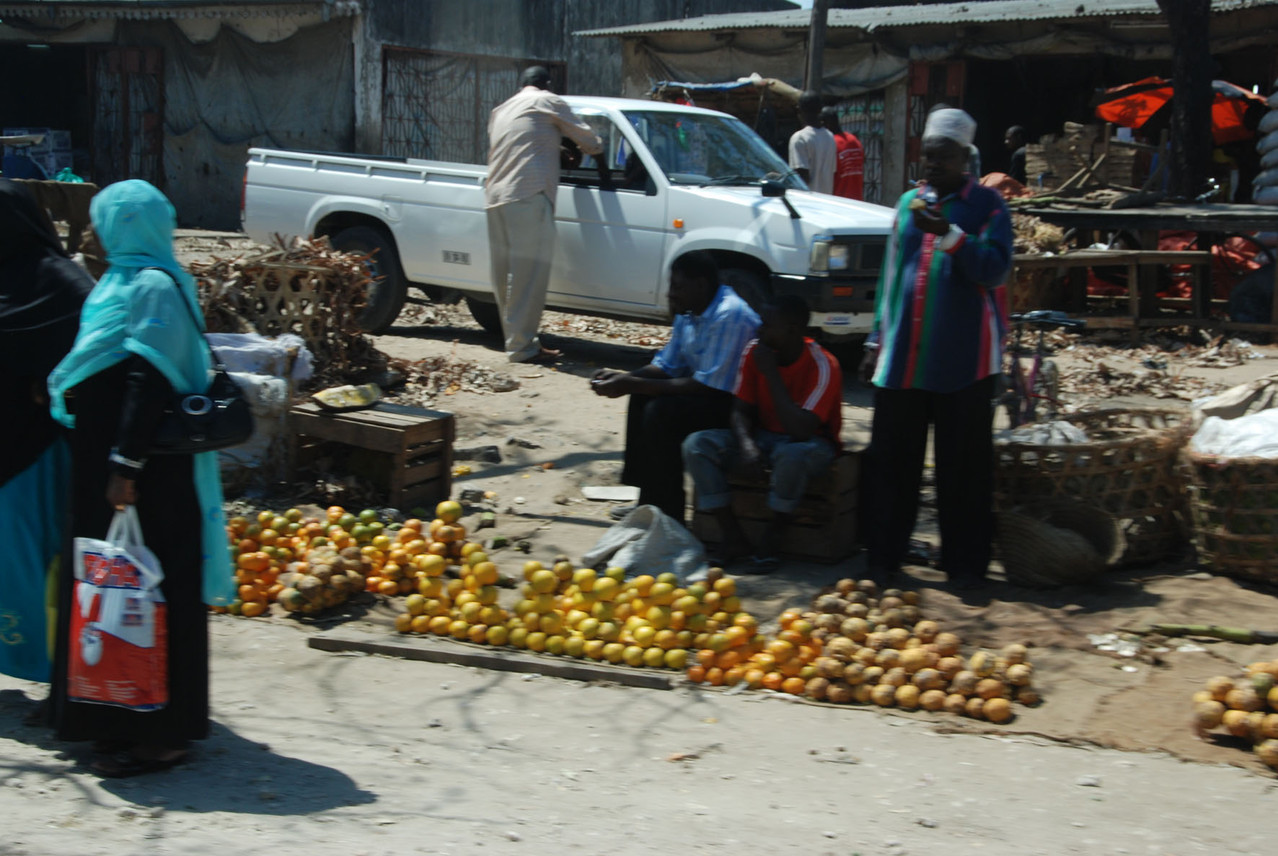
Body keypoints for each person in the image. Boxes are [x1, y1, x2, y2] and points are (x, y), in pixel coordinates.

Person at [46, 179, 235, 777]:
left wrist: (124, 466)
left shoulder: (153, 287)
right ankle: (112, 712)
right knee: (112, 594)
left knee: (155, 595)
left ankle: (163, 734)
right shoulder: (118, 283)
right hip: (107, 468)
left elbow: (148, 381)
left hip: (148, 476)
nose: (98, 234)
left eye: (107, 222)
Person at [861, 108, 1013, 591]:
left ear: (965, 158)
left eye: (942, 157)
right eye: (927, 157)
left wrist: (947, 236)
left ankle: (965, 565)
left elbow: (994, 270)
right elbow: (890, 276)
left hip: (965, 360)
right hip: (903, 357)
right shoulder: (907, 204)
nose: (932, 165)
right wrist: (874, 339)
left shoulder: (988, 207)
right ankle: (884, 557)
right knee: (892, 463)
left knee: (963, 467)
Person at [0, 179, 94, 689]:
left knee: (34, 559)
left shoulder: (60, 281)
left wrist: (51, 382)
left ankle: (52, 670)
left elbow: (96, 346)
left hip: (38, 449)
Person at [590, 251, 760, 524]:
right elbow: (668, 365)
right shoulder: (689, 310)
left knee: (662, 412)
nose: (670, 294)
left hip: (737, 407)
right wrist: (623, 378)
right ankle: (648, 499)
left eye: (677, 287)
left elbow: (709, 386)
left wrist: (632, 382)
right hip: (708, 393)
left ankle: (668, 513)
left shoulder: (730, 315)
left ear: (701, 285)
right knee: (641, 397)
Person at [683, 295, 842, 569]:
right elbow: (740, 410)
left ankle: (774, 537)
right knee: (697, 444)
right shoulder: (755, 351)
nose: (759, 330)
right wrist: (746, 445)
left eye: (767, 325)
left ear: (792, 329)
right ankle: (733, 536)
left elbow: (801, 429)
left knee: (793, 454)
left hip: (811, 444)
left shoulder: (824, 364)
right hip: (765, 438)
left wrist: (771, 373)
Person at [485, 65, 602, 364]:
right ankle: (522, 348)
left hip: (495, 195)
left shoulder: (502, 109)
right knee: (529, 276)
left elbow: (520, 144)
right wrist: (588, 148)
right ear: (547, 85)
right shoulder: (548, 101)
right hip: (528, 194)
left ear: (522, 84)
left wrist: (555, 146)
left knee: (506, 278)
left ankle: (518, 341)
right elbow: (591, 142)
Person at [788, 91, 836, 194]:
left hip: (807, 203)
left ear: (799, 110)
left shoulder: (799, 138)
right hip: (826, 201)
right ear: (820, 110)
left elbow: (801, 179)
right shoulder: (830, 137)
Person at [821, 106, 865, 201]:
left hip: (839, 202)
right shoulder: (854, 141)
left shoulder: (831, 144)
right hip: (858, 200)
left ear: (825, 124)